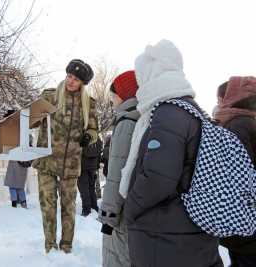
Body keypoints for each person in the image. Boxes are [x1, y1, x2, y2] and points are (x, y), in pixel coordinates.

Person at [121, 40, 222, 267]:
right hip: (186, 231)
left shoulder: (169, 112)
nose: (138, 84)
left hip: (164, 234)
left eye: (141, 76)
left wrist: (131, 209)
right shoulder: (191, 109)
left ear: (152, 73)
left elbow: (158, 177)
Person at [32, 59, 98, 253]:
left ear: (82, 84)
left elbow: (94, 129)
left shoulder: (89, 104)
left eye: (76, 79)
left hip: (70, 164)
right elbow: (31, 122)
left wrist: (89, 136)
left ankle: (66, 246)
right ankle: (50, 246)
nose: (70, 81)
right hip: (46, 161)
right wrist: (21, 117)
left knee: (68, 208)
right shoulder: (50, 96)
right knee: (48, 205)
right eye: (69, 76)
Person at [98, 70, 140, 267]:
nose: (112, 100)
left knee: (116, 257)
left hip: (120, 211)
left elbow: (117, 173)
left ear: (123, 95)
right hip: (134, 205)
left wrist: (108, 214)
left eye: (113, 95)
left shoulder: (126, 123)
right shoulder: (142, 117)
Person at [215, 77, 256, 267]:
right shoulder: (248, 122)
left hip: (244, 221)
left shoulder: (237, 125)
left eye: (219, 99)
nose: (218, 104)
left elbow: (238, 178)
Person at [78, 136, 102, 216]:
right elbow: (99, 153)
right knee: (91, 187)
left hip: (83, 166)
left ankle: (86, 209)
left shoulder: (83, 136)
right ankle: (94, 206)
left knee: (84, 189)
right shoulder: (97, 137)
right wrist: (97, 166)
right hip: (93, 167)